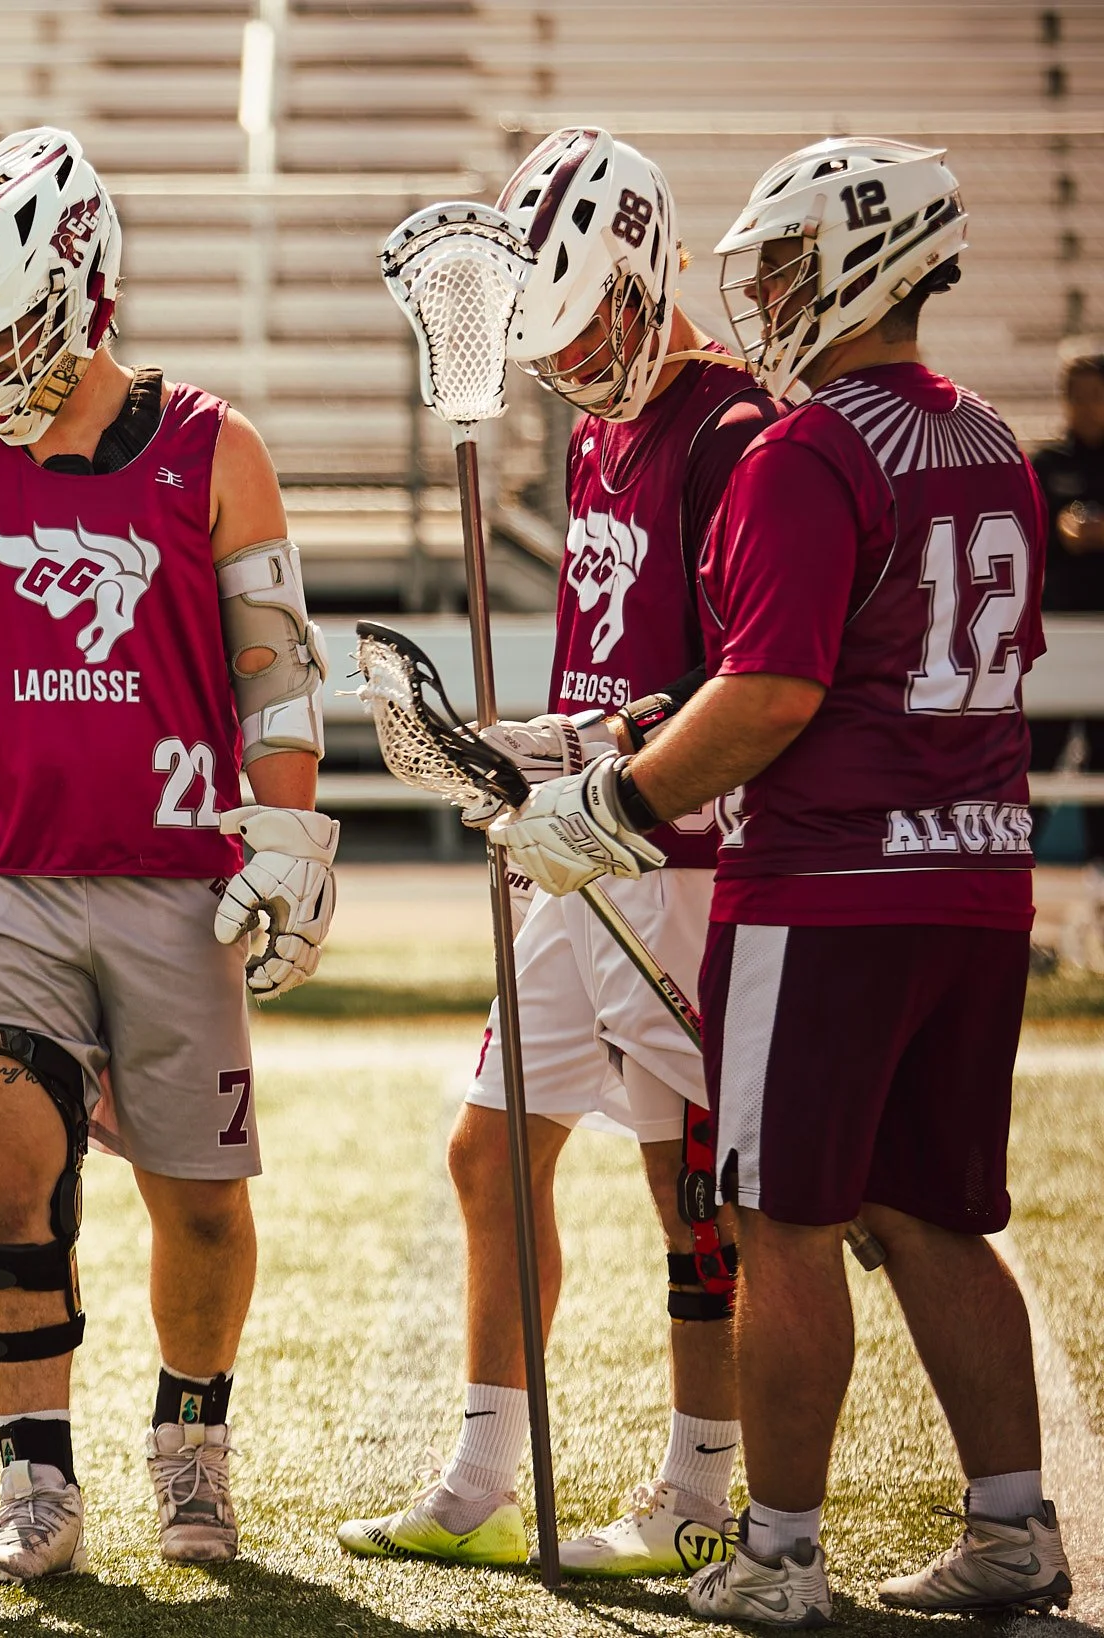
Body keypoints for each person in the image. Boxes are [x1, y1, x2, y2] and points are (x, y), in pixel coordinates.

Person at [497, 137, 1074, 1623]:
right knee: (939, 1211)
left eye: (789, 268)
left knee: (786, 1223)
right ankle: (1015, 1526)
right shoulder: (996, 443)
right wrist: (622, 732)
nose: (762, 298)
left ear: (861, 269)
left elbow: (768, 694)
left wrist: (606, 806)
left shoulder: (804, 452)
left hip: (827, 887)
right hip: (980, 882)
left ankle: (778, 1553)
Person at [0, 127, 336, 1581]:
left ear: (89, 288)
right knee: (7, 1173)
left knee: (203, 1200)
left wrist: (288, 834)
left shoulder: (215, 448)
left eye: (13, 329)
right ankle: (35, 1481)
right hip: (6, 878)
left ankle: (191, 1441)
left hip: (178, 881)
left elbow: (275, 673)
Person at [337, 128, 778, 1578]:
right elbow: (616, 661)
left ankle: (700, 1481)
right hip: (577, 850)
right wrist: (528, 748)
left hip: (682, 858)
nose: (576, 362)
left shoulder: (731, 434)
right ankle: (481, 1474)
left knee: (688, 1180)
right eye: (554, 337)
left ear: (649, 278)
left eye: (594, 324)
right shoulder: (599, 431)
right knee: (489, 1149)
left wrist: (596, 770)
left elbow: (738, 673)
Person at [1029, 339, 1104, 862]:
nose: (1086, 405)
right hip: (1057, 635)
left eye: (1096, 394)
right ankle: (1013, 865)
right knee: (1036, 758)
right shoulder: (1045, 461)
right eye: (1076, 394)